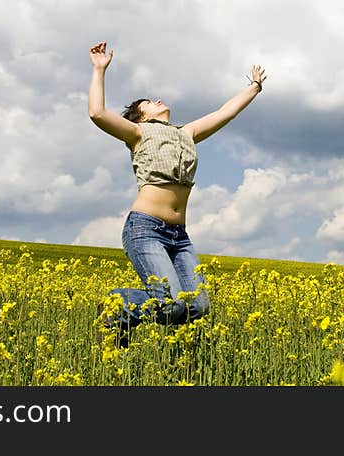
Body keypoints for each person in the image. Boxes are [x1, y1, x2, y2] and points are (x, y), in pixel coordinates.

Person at [87, 41, 266, 345]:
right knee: (171, 304)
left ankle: (129, 319)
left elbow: (225, 113)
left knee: (198, 306)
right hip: (145, 229)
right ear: (140, 117)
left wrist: (255, 88)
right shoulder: (138, 134)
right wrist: (99, 69)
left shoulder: (187, 133)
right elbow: (98, 113)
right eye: (149, 102)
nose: (157, 100)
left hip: (178, 234)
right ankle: (115, 304)